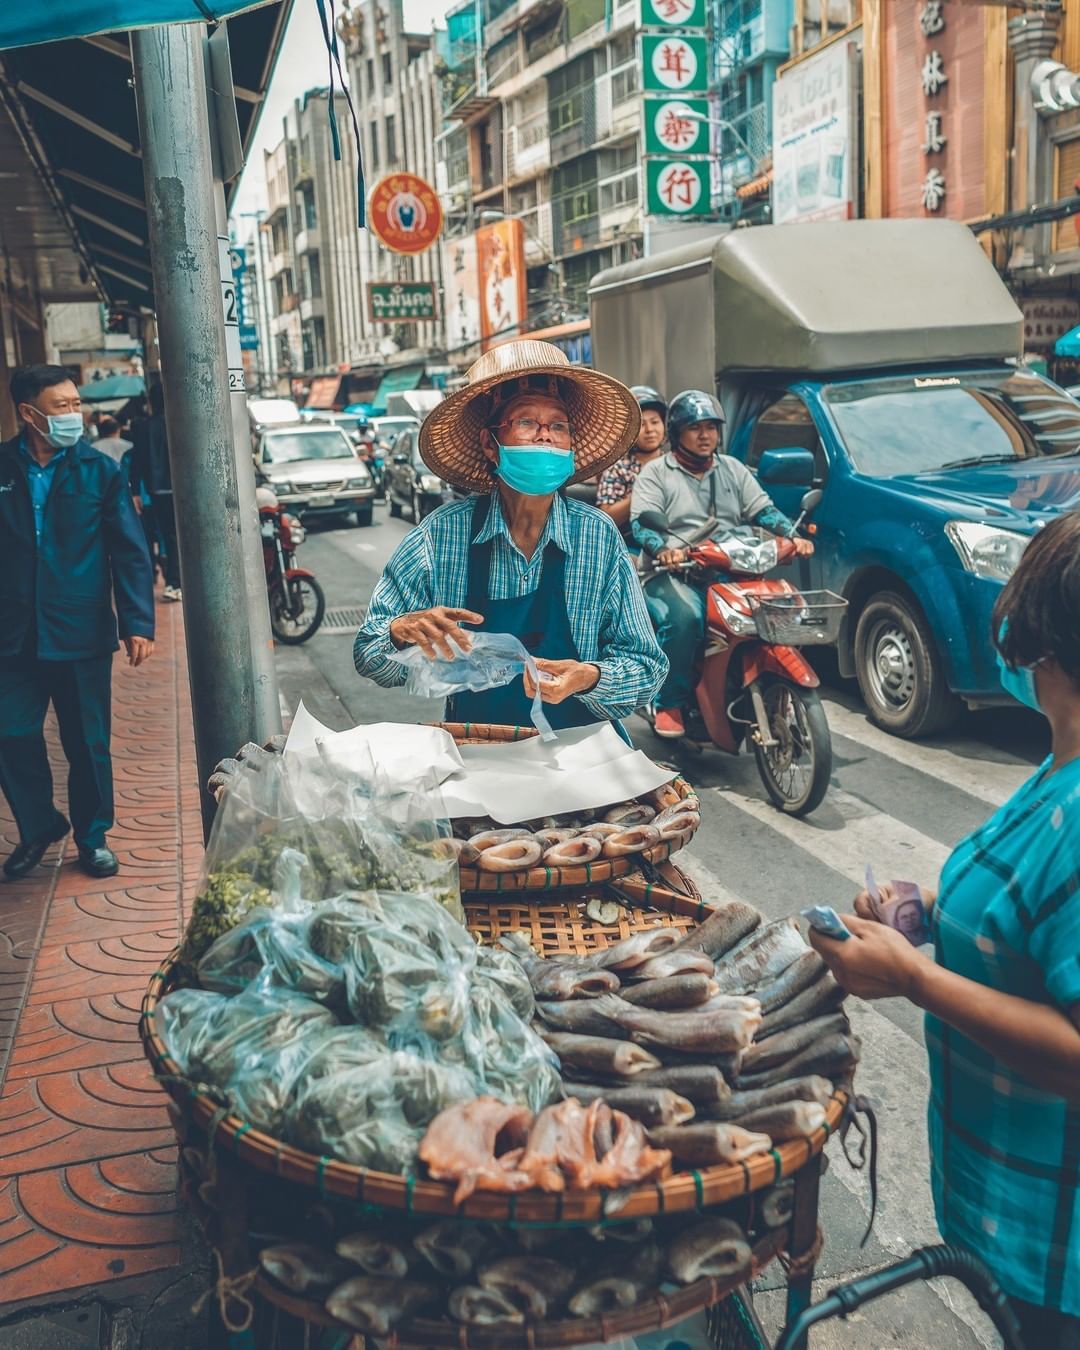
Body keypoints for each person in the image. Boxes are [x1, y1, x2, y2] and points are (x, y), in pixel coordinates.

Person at [810, 511, 1080, 1347]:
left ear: (1041, 643)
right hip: (1002, 1204)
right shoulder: (1059, 765)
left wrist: (914, 979)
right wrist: (928, 915)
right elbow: (1031, 919)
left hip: (1057, 1246)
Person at [353, 340, 667, 729]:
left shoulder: (596, 536)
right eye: (526, 423)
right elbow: (368, 654)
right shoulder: (442, 534)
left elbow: (646, 666)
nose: (545, 436)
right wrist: (401, 633)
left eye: (558, 425)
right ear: (490, 443)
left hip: (583, 757)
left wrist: (592, 678)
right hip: (480, 751)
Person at [0, 364, 155, 880]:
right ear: (28, 413)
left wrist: (138, 621)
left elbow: (130, 551)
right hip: (14, 634)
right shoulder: (2, 469)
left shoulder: (98, 470)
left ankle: (92, 838)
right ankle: (40, 823)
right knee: (11, 733)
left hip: (80, 631)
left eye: (75, 403)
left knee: (87, 743)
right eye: (61, 406)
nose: (74, 414)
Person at [630, 389, 813, 739]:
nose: (705, 436)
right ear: (677, 433)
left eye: (711, 427)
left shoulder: (732, 468)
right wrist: (664, 549)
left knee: (779, 609)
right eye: (695, 428)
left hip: (730, 566)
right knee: (687, 618)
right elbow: (641, 524)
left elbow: (763, 510)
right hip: (672, 571)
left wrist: (793, 534)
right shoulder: (657, 472)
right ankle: (670, 703)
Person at [595, 385, 667, 545]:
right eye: (642, 424)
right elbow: (606, 517)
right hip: (630, 545)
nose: (650, 430)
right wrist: (641, 494)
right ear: (629, 430)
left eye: (655, 422)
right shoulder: (619, 468)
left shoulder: (672, 464)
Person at [130, 382, 181, 601]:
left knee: (168, 537)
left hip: (157, 491)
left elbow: (136, 462)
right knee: (179, 538)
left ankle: (174, 582)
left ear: (151, 402)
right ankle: (175, 582)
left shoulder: (141, 427)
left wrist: (135, 492)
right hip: (181, 491)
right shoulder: (180, 424)